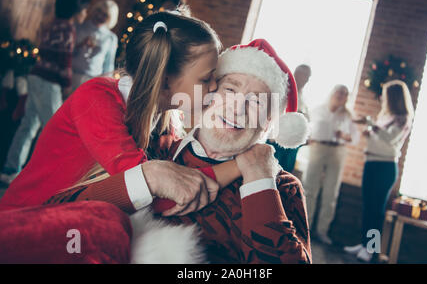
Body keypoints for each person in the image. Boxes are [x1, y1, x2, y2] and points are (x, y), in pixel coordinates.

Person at [45, 39, 312, 264]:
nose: (237, 108)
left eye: (256, 101)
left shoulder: (282, 187)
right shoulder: (152, 147)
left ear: (268, 122)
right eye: (230, 90)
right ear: (207, 95)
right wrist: (148, 178)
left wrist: (259, 180)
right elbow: (59, 212)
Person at [0, 11, 235, 215]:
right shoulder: (96, 99)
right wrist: (240, 166)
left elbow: (183, 179)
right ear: (164, 82)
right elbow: (161, 197)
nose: (214, 86)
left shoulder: (168, 121)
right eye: (206, 78)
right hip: (24, 222)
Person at [0, 0, 88, 185]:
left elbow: (52, 51)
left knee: (28, 124)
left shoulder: (54, 24)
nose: (86, 14)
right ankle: (47, 177)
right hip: (49, 81)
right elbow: (64, 59)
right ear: (77, 11)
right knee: (55, 129)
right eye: (84, 10)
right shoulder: (68, 28)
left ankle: (10, 169)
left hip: (36, 75)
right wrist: (66, 85)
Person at [344, 80, 414, 262]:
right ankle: (363, 243)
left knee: (376, 209)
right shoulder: (386, 116)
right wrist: (371, 131)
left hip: (385, 167)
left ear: (394, 97)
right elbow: (380, 136)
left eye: (386, 95)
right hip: (371, 162)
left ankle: (371, 249)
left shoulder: (403, 118)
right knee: (368, 206)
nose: (383, 99)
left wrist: (372, 126)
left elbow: (390, 138)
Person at [302, 84, 359, 245]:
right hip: (317, 148)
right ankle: (304, 228)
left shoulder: (348, 115)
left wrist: (345, 136)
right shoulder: (317, 110)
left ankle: (322, 231)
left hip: (337, 151)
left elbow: (355, 138)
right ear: (332, 93)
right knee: (310, 189)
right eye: (339, 92)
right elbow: (306, 127)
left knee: (331, 192)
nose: (341, 95)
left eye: (345, 94)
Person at [268, 64, 311, 173]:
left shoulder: (304, 98)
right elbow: (272, 110)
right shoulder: (282, 89)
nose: (304, 78)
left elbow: (307, 118)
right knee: (270, 169)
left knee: (285, 172)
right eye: (301, 74)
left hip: (292, 143)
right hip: (276, 139)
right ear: (295, 73)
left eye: (306, 76)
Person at [71, 0, 119, 91]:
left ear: (110, 18)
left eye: (105, 15)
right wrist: (80, 45)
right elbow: (68, 52)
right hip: (72, 75)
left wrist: (105, 87)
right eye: (99, 11)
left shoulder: (111, 38)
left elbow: (108, 65)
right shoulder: (79, 27)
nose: (99, 16)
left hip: (92, 82)